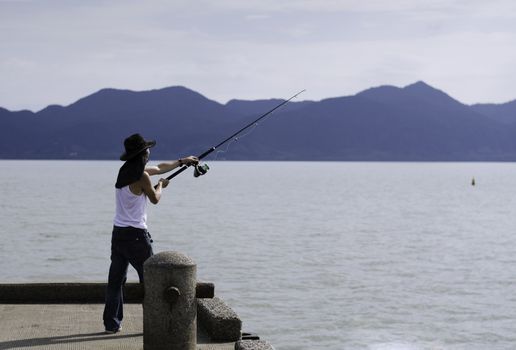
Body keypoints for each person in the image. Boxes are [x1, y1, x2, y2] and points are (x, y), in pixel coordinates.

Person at [103, 133, 198, 333]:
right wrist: (162, 185)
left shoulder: (125, 172)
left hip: (118, 234)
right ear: (142, 153)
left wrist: (183, 161)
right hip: (136, 236)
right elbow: (154, 198)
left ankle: (112, 324)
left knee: (116, 281)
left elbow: (160, 168)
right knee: (153, 280)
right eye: (147, 149)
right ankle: (158, 323)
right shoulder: (142, 175)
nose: (149, 151)